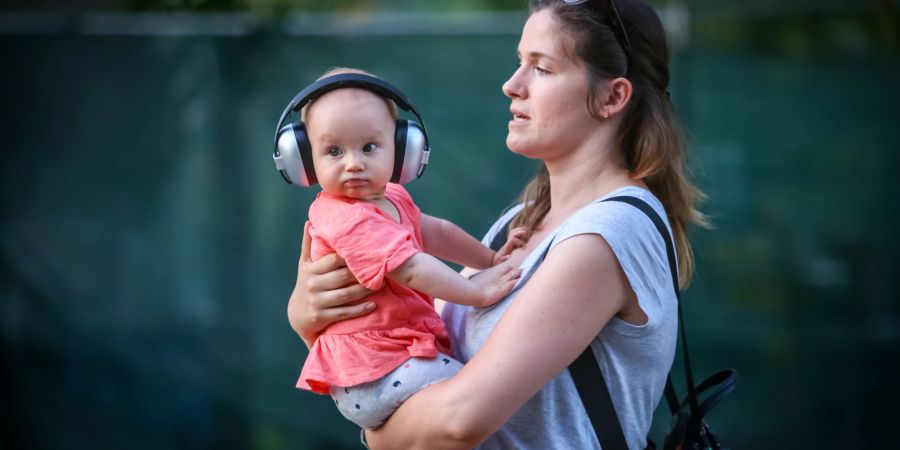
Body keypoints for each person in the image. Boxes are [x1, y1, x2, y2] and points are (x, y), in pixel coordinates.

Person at [287, 0, 708, 448]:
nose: (511, 85)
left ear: (612, 97)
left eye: (541, 69)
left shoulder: (609, 233)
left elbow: (458, 421)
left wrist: (376, 433)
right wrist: (306, 317)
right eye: (518, 63)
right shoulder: (518, 224)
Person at [292, 67, 528, 430]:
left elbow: (437, 233)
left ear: (402, 148)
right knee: (477, 400)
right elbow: (412, 267)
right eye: (334, 151)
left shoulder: (392, 196)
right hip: (373, 373)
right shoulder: (346, 218)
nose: (353, 163)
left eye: (369, 147)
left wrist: (491, 259)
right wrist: (476, 291)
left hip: (392, 360)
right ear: (305, 162)